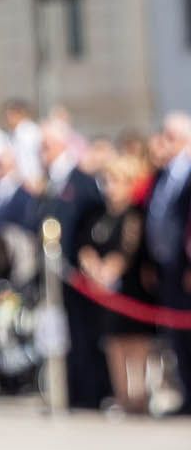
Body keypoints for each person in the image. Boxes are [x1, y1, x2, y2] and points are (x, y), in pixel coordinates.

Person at [37, 117, 110, 411]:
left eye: (47, 146)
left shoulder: (80, 180)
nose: (43, 152)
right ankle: (70, 390)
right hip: (53, 275)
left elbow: (92, 221)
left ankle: (92, 392)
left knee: (84, 333)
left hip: (75, 273)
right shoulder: (51, 182)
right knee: (62, 334)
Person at [82, 154, 154, 414]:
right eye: (107, 180)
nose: (110, 186)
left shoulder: (134, 215)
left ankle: (139, 396)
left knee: (136, 342)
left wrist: (109, 270)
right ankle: (122, 395)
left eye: (116, 180)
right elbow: (86, 244)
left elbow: (128, 249)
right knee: (114, 343)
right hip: (104, 291)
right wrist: (93, 267)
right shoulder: (100, 214)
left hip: (132, 287)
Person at [143, 111, 191, 415]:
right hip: (166, 267)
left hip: (186, 268)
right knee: (177, 337)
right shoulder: (162, 174)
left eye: (172, 136)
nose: (166, 141)